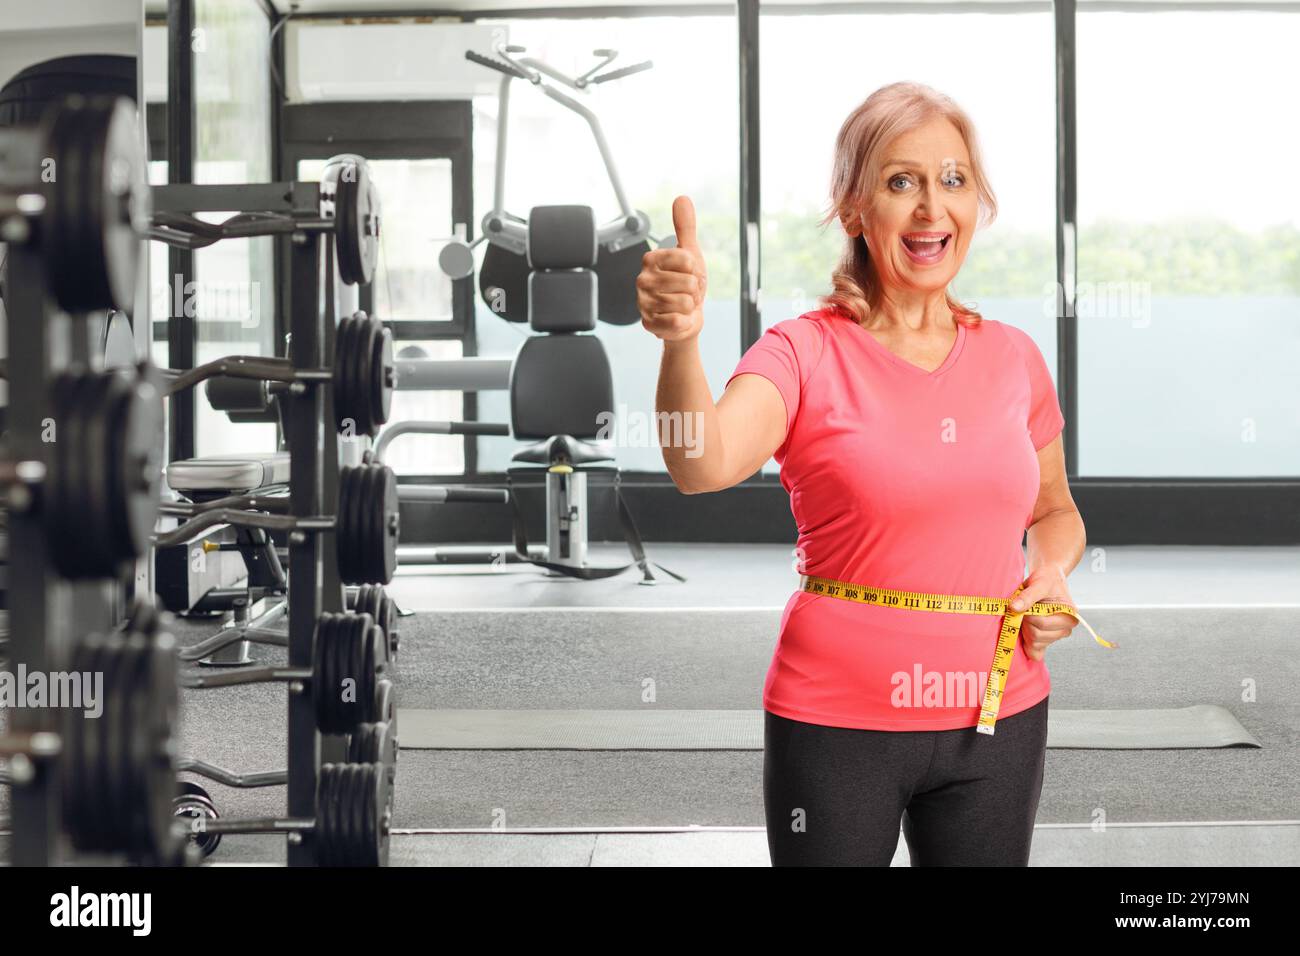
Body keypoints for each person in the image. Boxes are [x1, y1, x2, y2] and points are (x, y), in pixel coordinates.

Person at [637, 81, 1086, 866]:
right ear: (853, 208)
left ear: (977, 203)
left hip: (999, 717)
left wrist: (1051, 573)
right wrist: (681, 342)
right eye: (900, 181)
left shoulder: (1014, 358)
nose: (930, 208)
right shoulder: (802, 352)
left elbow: (1056, 512)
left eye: (953, 180)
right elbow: (699, 463)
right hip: (839, 722)